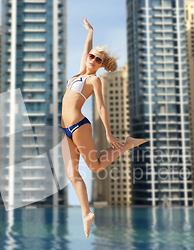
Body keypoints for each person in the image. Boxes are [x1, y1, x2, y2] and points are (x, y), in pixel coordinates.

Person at [60, 16, 148, 238]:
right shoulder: (80, 73)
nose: (92, 60)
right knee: (71, 173)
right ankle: (86, 213)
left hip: (79, 126)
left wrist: (108, 133)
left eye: (97, 60)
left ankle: (125, 145)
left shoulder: (93, 80)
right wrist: (90, 31)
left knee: (96, 167)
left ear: (100, 65)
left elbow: (100, 107)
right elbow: (86, 47)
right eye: (91, 57)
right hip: (65, 130)